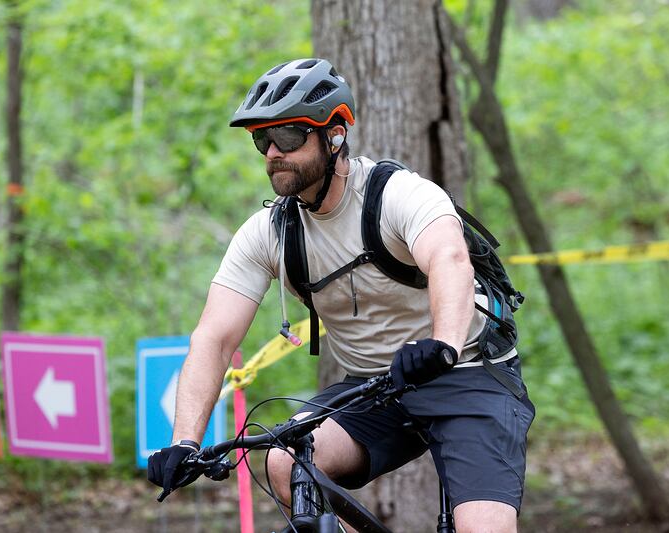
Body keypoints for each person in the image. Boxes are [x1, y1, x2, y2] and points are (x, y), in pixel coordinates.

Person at [148, 58, 535, 533]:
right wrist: (185, 440)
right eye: (260, 140)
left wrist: (444, 344)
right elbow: (212, 338)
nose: (272, 152)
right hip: (375, 387)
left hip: (467, 371)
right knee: (284, 460)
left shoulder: (398, 195)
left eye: (287, 136)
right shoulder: (268, 232)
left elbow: (449, 261)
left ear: (334, 134)